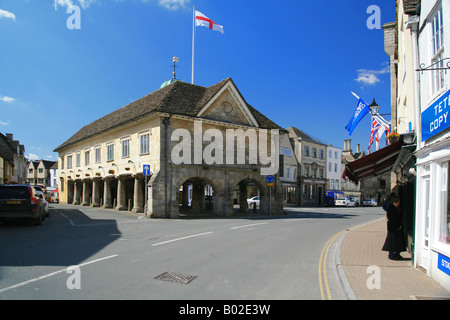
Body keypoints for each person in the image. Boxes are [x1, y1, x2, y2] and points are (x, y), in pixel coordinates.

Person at [382, 194, 407, 260]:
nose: (399, 204)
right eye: (398, 203)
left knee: (396, 242)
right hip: (394, 229)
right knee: (392, 242)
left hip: (394, 228)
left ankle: (396, 254)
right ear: (394, 202)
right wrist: (398, 226)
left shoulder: (393, 208)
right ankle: (392, 255)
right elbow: (393, 219)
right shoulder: (391, 208)